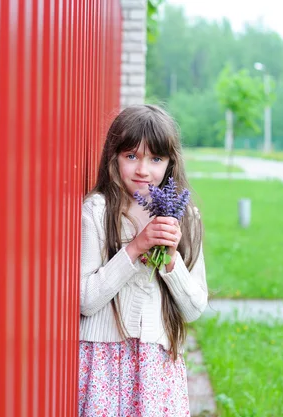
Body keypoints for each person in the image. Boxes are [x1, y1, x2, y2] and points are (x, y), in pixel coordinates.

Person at [78, 104, 208, 416]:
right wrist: (136, 248)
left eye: (155, 158)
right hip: (104, 362)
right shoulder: (97, 211)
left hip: (156, 366)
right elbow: (86, 300)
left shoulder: (184, 216)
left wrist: (169, 260)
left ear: (169, 163)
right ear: (114, 157)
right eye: (131, 156)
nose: (143, 170)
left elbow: (193, 308)